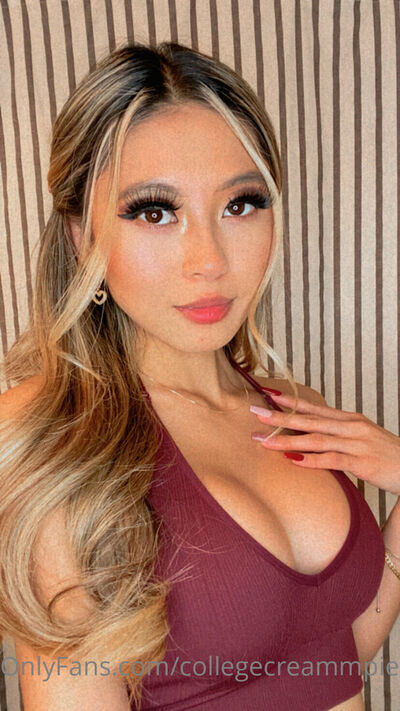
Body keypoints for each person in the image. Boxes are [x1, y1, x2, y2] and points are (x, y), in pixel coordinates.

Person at [0, 40, 399, 711]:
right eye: (155, 211)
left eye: (240, 204)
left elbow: (329, 661)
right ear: (79, 234)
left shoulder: (296, 408)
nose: (209, 259)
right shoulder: (46, 436)